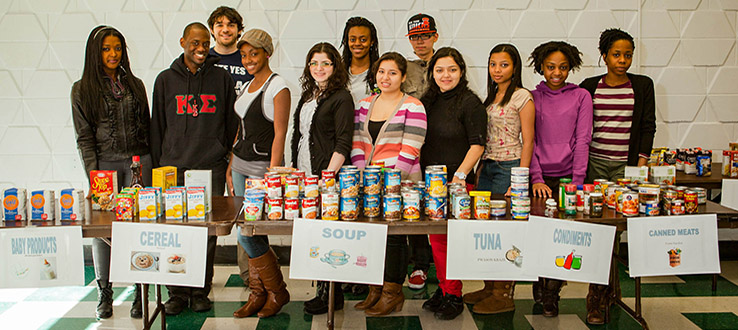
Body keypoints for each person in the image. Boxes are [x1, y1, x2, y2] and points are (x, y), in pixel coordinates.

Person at [150, 22, 238, 316]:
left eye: (204, 43)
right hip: (173, 168)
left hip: (210, 166)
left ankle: (201, 289)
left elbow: (230, 122)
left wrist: (221, 153)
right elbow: (157, 126)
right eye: (194, 43)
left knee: (206, 233)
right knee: (174, 232)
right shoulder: (164, 80)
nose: (200, 49)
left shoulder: (221, 78)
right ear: (182, 42)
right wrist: (158, 165)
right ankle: (176, 292)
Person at [71, 25, 150, 320]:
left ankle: (141, 293)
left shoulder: (136, 84)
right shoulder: (81, 89)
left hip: (139, 164)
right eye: (106, 49)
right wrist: (93, 175)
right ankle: (105, 292)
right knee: (104, 231)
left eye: (118, 48)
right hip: (105, 167)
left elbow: (148, 127)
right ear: (95, 53)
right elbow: (84, 138)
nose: (113, 54)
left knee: (140, 230)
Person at [579, 28, 656, 325]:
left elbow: (647, 127)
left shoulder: (642, 85)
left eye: (627, 55)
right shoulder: (588, 86)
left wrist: (640, 166)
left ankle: (609, 288)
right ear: (604, 56)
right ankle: (596, 296)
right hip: (595, 166)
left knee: (618, 231)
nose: (622, 60)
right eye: (616, 54)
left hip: (626, 168)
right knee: (598, 232)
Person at [350, 52, 427, 316]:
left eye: (393, 73)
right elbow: (358, 143)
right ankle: (376, 288)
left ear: (403, 77)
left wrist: (390, 184)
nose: (386, 77)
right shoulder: (364, 104)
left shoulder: (413, 106)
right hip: (369, 183)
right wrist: (365, 180)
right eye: (382, 71)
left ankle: (393, 292)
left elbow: (411, 148)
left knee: (394, 237)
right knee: (373, 237)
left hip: (401, 182)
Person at [464, 43, 534, 315]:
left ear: (515, 67)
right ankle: (489, 285)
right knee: (488, 231)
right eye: (493, 64)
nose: (497, 70)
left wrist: (519, 180)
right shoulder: (491, 98)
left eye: (503, 64)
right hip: (488, 166)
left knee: (507, 232)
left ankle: (504, 293)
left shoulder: (522, 97)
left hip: (510, 167)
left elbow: (528, 141)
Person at [419, 47, 487, 320]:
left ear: (461, 71)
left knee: (447, 242)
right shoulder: (428, 101)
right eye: (439, 70)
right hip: (431, 185)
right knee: (436, 240)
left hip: (457, 186)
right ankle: (446, 288)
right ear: (432, 73)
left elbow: (478, 144)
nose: (445, 75)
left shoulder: (470, 103)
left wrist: (458, 177)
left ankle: (453, 294)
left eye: (452, 70)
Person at [229, 29, 291, 319]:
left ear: (267, 53)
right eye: (243, 55)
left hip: (260, 170)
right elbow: (241, 129)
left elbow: (280, 133)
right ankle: (260, 293)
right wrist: (230, 164)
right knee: (247, 229)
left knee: (247, 234)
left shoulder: (278, 86)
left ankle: (276, 291)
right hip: (240, 165)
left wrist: (273, 175)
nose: (248, 59)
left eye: (254, 53)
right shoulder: (248, 85)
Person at [528, 40, 593, 317]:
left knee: (560, 239)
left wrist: (576, 182)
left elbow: (582, 140)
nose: (557, 72)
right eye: (551, 67)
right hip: (539, 178)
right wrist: (536, 177)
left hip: (568, 178)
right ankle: (539, 286)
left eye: (563, 67)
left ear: (571, 68)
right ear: (541, 66)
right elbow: (528, 140)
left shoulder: (581, 96)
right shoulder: (531, 96)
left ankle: (551, 293)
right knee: (537, 237)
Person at [290, 42, 353, 315]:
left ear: (335, 66)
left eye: (325, 63)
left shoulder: (341, 97)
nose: (319, 68)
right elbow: (300, 135)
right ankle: (322, 289)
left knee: (329, 235)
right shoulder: (308, 95)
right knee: (313, 233)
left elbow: (343, 141)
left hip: (328, 176)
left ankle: (332, 293)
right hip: (305, 172)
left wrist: (327, 177)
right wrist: (294, 169)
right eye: (314, 63)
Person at [401, 12, 438, 290]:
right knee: (412, 203)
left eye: (425, 36)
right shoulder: (406, 68)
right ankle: (419, 264)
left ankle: (445, 267)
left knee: (438, 206)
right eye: (415, 37)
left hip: (440, 148)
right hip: (411, 148)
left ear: (435, 36)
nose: (420, 42)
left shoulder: (447, 61)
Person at [207, 6, 253, 92]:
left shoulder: (249, 60)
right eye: (220, 25)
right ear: (212, 30)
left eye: (231, 25)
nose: (225, 30)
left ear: (239, 30)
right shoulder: (204, 59)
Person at [341, 16, 379, 104]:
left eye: (363, 39)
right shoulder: (338, 72)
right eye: (353, 39)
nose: (357, 43)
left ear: (372, 41)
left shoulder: (380, 72)